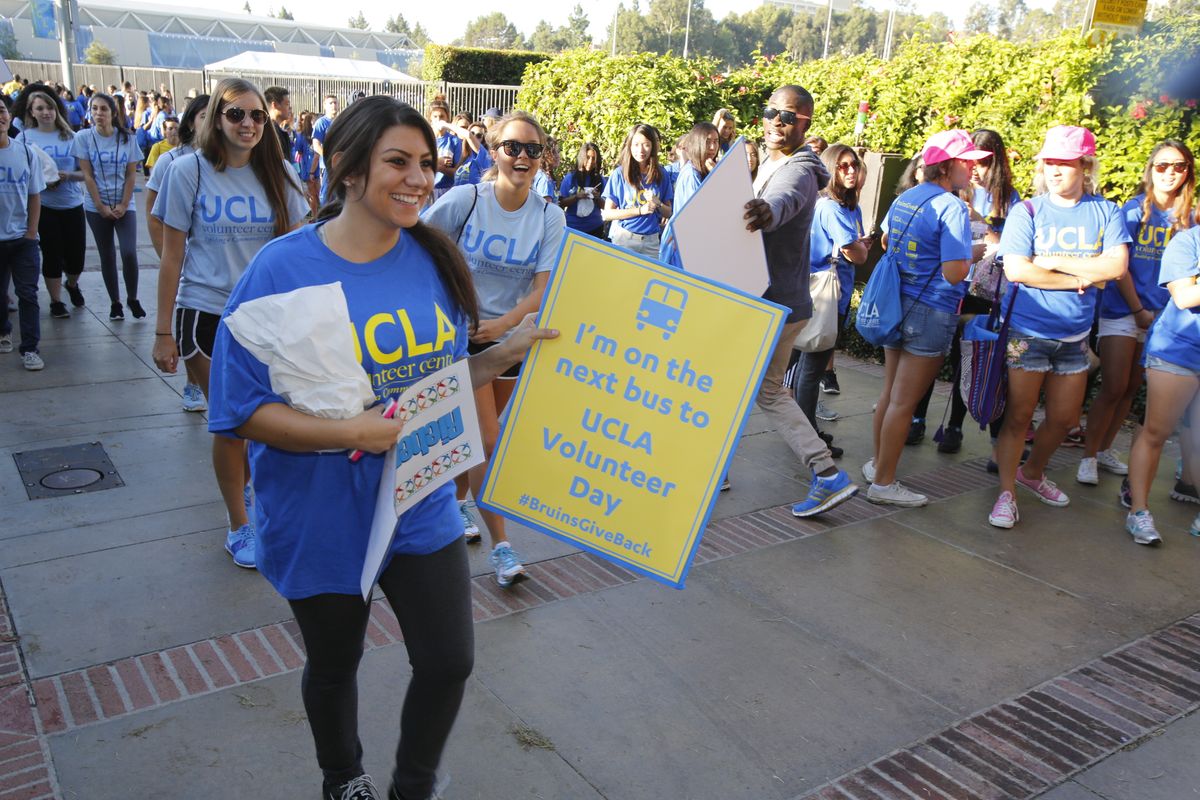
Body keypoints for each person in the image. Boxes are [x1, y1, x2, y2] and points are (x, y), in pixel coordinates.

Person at [207, 95, 557, 800]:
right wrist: (349, 434)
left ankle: (412, 787)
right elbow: (239, 412)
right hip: (322, 512)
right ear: (346, 167)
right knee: (335, 665)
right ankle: (344, 778)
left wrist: (504, 354)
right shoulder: (280, 270)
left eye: (427, 163)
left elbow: (441, 380)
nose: (419, 178)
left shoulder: (432, 258)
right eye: (398, 161)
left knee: (449, 660)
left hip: (420, 498)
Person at [151, 79, 310, 569]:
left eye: (257, 116)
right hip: (205, 313)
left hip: (266, 321)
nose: (248, 124)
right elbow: (171, 255)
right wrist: (162, 331)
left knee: (267, 424)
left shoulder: (280, 172)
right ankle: (239, 526)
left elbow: (299, 248)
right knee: (233, 423)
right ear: (216, 118)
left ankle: (260, 506)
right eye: (236, 114)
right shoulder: (187, 171)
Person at [422, 110, 567, 587]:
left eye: (532, 149)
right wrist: (449, 311)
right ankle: (503, 548)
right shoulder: (465, 199)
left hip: (509, 342)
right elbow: (414, 244)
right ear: (492, 150)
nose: (522, 157)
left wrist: (499, 327)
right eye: (512, 147)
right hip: (455, 341)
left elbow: (543, 290)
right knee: (486, 440)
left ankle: (457, 502)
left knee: (474, 441)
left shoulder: (549, 215)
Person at [989, 126, 1130, 529]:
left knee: (1066, 420)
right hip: (1024, 335)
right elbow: (1018, 270)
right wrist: (1082, 278)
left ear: (1085, 166)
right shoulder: (1028, 211)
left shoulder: (1106, 211)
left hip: (1074, 338)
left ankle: (1031, 474)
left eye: (1064, 162)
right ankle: (1005, 495)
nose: (1054, 169)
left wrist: (1052, 262)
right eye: (1049, 161)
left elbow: (1116, 267)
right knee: (1018, 417)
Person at [740, 84, 857, 517]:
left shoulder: (800, 169)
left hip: (773, 304)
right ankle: (827, 474)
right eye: (770, 111)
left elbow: (781, 201)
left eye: (787, 116)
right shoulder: (773, 162)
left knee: (760, 390)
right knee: (762, 390)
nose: (775, 121)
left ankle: (826, 474)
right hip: (773, 301)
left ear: (805, 123)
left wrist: (765, 213)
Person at [859, 131, 985, 506]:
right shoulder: (951, 207)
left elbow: (885, 244)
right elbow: (953, 273)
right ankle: (883, 482)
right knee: (903, 402)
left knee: (890, 395)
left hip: (898, 305)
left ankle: (878, 464)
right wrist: (978, 251)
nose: (974, 167)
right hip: (931, 312)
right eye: (968, 161)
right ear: (947, 165)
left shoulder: (905, 198)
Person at [1079, 141, 1195, 486]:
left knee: (1131, 386)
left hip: (1165, 316)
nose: (1170, 173)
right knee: (1114, 385)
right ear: (1150, 170)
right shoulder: (1131, 211)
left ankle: (1104, 450)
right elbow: (1120, 268)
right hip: (1124, 308)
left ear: (1188, 172)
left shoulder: (1191, 216)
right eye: (1162, 166)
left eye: (1179, 166)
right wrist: (1138, 310)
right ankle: (1088, 456)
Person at [1125, 215, 1200, 544]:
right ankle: (1138, 511)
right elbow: (1184, 296)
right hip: (1178, 351)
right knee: (1156, 431)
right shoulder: (1187, 242)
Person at [790, 144, 871, 445]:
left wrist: (858, 247)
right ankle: (807, 435)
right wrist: (860, 248)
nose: (850, 170)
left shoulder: (847, 206)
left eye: (854, 164)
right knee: (811, 367)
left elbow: (854, 249)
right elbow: (856, 254)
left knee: (804, 364)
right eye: (842, 165)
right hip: (825, 293)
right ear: (830, 169)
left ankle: (801, 429)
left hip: (832, 289)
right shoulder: (830, 207)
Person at [145, 94, 209, 413]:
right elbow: (154, 213)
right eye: (203, 116)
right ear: (190, 122)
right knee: (190, 320)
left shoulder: (236, 165)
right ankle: (192, 383)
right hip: (186, 264)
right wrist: (170, 256)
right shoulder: (173, 162)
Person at [16, 87, 86, 319]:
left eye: (49, 108)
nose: (46, 112)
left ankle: (72, 284)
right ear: (31, 113)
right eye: (40, 109)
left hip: (72, 203)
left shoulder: (72, 137)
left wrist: (68, 175)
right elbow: (21, 171)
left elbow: (87, 173)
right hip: (44, 206)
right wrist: (42, 180)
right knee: (52, 253)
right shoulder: (25, 138)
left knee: (76, 258)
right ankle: (56, 302)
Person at [77, 92, 144, 321]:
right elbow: (87, 174)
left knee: (128, 252)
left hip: (124, 204)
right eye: (94, 109)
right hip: (97, 206)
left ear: (113, 113)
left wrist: (124, 204)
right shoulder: (83, 138)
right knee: (107, 255)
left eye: (103, 109)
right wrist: (100, 205)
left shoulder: (127, 138)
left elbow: (131, 175)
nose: (98, 113)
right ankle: (115, 303)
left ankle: (132, 297)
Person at [0, 94, 47, 370]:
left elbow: (34, 195)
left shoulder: (26, 153)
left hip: (22, 239)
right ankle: (3, 331)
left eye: (3, 111)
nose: (0, 117)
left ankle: (30, 348)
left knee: (28, 294)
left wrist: (32, 231)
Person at [602, 123, 673, 257]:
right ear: (629, 146)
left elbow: (668, 212)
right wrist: (639, 211)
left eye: (646, 144)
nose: (641, 150)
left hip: (651, 242)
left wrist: (657, 203)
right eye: (636, 144)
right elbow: (607, 214)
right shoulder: (619, 174)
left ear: (652, 147)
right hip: (624, 239)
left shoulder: (661, 174)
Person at [559, 141, 605, 237]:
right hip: (573, 228)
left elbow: (606, 206)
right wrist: (577, 197)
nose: (590, 162)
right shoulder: (571, 178)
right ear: (582, 158)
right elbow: (561, 203)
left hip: (595, 227)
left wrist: (597, 197)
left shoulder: (600, 180)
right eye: (587, 157)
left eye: (593, 159)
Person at [426, 95, 463, 201]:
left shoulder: (454, 141)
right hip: (427, 189)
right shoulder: (425, 139)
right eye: (435, 116)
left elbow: (457, 172)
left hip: (446, 190)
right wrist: (437, 162)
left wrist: (441, 168)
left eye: (442, 116)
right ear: (430, 119)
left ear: (447, 118)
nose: (439, 120)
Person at [312, 94, 339, 204]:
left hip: (340, 165)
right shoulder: (321, 123)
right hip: (328, 167)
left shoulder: (341, 121)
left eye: (335, 103)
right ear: (325, 106)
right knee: (327, 196)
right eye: (330, 103)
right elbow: (316, 145)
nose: (333, 105)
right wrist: (329, 156)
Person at [264, 85, 294, 157]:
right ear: (274, 105)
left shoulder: (275, 129)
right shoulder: (268, 131)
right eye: (287, 104)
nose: (289, 108)